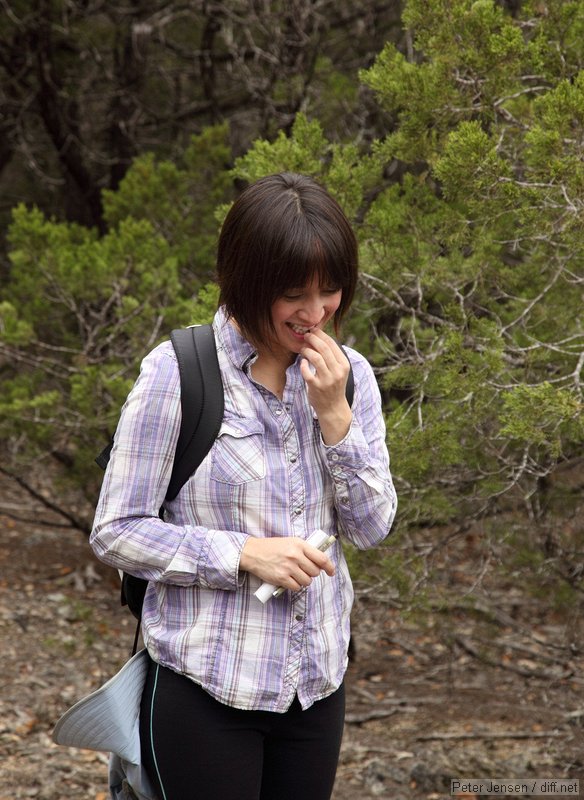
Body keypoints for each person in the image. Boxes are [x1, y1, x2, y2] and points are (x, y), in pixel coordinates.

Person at [90, 172, 397, 800]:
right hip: (206, 687)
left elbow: (370, 527)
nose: (315, 313)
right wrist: (242, 554)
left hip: (315, 688)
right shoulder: (178, 373)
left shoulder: (351, 376)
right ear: (247, 283)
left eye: (331, 290)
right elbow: (116, 531)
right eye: (293, 295)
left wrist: (336, 415)